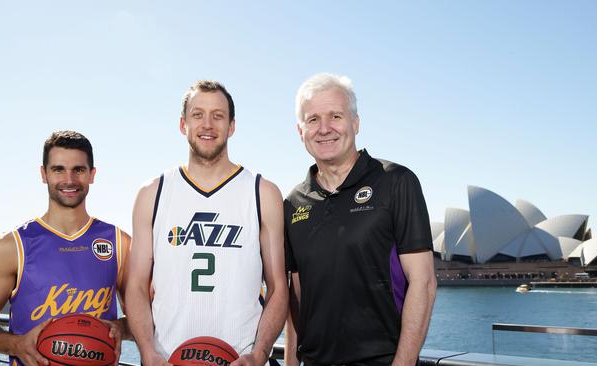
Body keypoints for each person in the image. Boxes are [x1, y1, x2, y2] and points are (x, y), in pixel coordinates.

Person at [126, 80, 288, 366]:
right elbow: (137, 285)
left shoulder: (262, 192)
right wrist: (148, 353)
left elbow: (277, 287)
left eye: (218, 115)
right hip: (168, 359)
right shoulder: (153, 193)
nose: (208, 124)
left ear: (232, 126)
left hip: (238, 358)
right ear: (183, 124)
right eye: (198, 114)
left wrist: (260, 353)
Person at [284, 74, 437, 366]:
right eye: (313, 119)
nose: (324, 128)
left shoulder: (396, 182)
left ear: (355, 123)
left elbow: (424, 282)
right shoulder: (292, 203)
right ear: (300, 131)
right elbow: (296, 298)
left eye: (335, 116)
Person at [0, 130, 131, 366]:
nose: (69, 180)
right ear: (43, 174)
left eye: (79, 169)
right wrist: (15, 344)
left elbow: (145, 317)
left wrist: (121, 327)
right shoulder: (11, 247)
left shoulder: (119, 243)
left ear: (92, 175)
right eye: (58, 169)